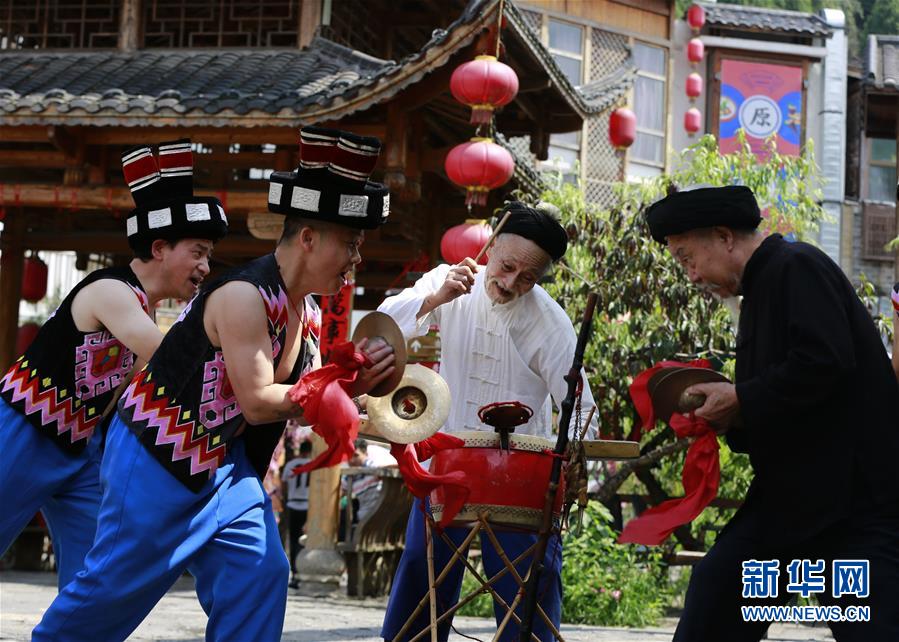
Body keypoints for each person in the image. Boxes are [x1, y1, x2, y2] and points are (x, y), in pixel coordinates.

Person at [33, 126, 396, 641]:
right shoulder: (244, 296)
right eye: (351, 243)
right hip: (157, 452)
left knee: (260, 573)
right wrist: (329, 394)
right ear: (309, 238)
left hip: (225, 467)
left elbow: (306, 393)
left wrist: (357, 384)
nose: (357, 258)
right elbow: (257, 401)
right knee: (112, 594)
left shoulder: (307, 311)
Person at [645, 184, 899, 642]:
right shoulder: (759, 291)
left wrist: (742, 399)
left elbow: (825, 362)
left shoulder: (795, 266)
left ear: (724, 236)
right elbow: (787, 398)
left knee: (872, 629)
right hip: (789, 507)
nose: (691, 275)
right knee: (716, 600)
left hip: (851, 508)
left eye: (687, 258)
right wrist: (731, 414)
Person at [0, 139, 227, 589]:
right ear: (160, 247)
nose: (206, 266)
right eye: (198, 252)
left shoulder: (139, 304)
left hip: (79, 451)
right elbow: (167, 356)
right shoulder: (111, 291)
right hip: (22, 431)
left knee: (96, 576)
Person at [378, 201, 599, 642]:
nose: (511, 282)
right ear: (492, 245)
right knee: (421, 582)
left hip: (520, 472)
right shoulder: (453, 281)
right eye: (507, 265)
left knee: (529, 598)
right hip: (448, 459)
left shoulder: (550, 321)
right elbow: (381, 328)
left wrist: (576, 459)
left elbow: (581, 410)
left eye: (528, 277)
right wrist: (435, 299)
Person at [282, 440, 313, 589]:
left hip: (293, 503)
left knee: (293, 540)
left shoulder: (290, 465)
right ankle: (303, 572)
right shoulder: (315, 463)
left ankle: (294, 574)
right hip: (308, 505)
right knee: (305, 540)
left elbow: (284, 484)